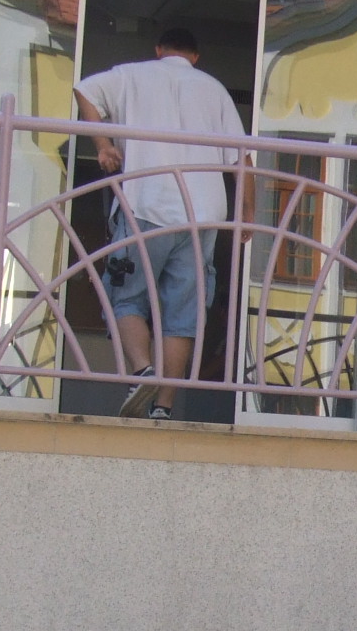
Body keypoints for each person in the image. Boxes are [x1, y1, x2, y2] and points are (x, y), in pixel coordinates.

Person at [73, 29, 247, 419]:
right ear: (195, 57)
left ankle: (142, 371)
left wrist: (104, 145)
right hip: (203, 215)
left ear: (158, 50)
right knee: (182, 316)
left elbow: (84, 90)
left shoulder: (131, 75)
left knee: (124, 297)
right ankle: (163, 408)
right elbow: (242, 158)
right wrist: (247, 214)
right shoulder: (214, 89)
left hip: (146, 205)